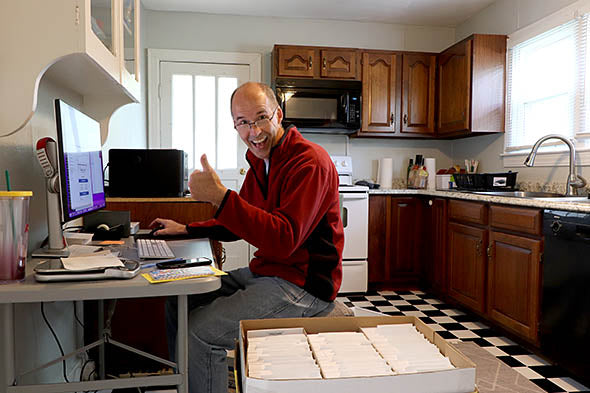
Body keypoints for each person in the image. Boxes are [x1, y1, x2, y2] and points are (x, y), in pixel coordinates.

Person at [150, 81, 343, 393]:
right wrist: (186, 229)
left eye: (261, 118)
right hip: (267, 273)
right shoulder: (260, 163)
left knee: (200, 332)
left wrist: (221, 197)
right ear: (235, 125)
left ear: (278, 115)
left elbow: (284, 238)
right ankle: (189, 384)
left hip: (303, 285)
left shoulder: (309, 162)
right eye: (243, 122)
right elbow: (239, 223)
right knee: (178, 299)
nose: (254, 131)